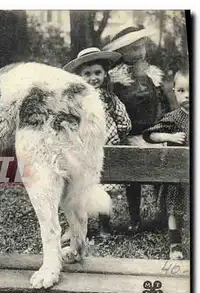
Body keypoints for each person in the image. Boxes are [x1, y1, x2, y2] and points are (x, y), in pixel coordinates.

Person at [103, 25, 172, 232]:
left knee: (160, 175)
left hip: (152, 132)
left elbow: (163, 103)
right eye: (133, 49)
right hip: (130, 134)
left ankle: (162, 215)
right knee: (133, 178)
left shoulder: (152, 75)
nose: (140, 52)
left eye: (142, 47)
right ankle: (135, 218)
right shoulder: (115, 80)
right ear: (122, 52)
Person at [63, 47, 132, 237]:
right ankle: (75, 227)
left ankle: (104, 226)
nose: (93, 78)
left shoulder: (111, 99)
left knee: (104, 187)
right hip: (82, 150)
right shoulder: (75, 101)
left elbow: (124, 122)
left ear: (105, 74)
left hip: (105, 149)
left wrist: (117, 135)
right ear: (79, 77)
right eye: (87, 74)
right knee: (77, 187)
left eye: (97, 73)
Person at [142, 68, 189, 259]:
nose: (187, 96)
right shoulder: (174, 117)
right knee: (175, 210)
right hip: (177, 174)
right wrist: (169, 136)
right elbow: (150, 134)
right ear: (174, 92)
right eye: (181, 91)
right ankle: (175, 244)